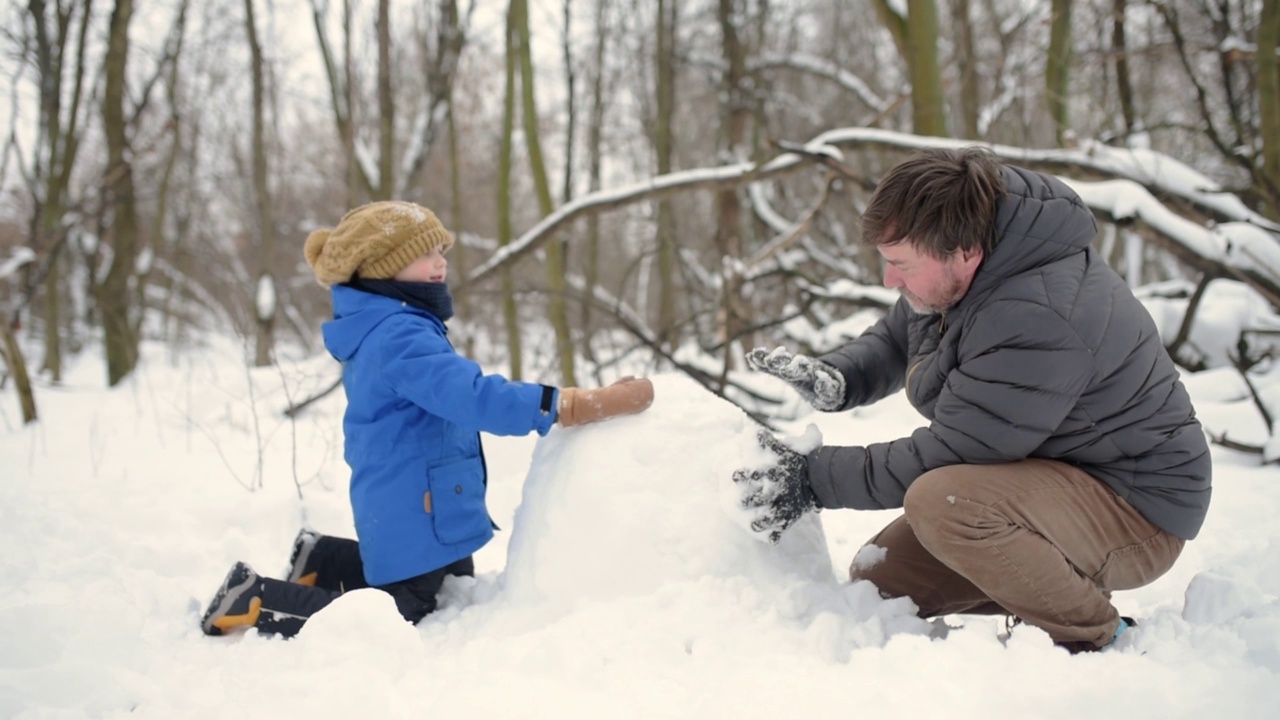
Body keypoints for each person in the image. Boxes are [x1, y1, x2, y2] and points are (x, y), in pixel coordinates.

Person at [732, 147, 1211, 654]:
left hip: (1134, 506)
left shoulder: (1039, 313)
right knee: (882, 577)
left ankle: (1099, 636)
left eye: (901, 265)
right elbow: (906, 331)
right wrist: (842, 375)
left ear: (964, 252)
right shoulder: (968, 259)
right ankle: (1053, 584)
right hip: (1052, 470)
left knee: (943, 503)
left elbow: (956, 452)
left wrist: (812, 477)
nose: (891, 280)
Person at [200, 200, 655, 638]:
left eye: (440, 251)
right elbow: (472, 396)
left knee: (452, 583)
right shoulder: (399, 335)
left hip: (425, 498)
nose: (439, 263)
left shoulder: (399, 322)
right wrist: (571, 404)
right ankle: (251, 599)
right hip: (411, 503)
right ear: (382, 268)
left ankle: (322, 558)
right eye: (421, 255)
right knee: (402, 613)